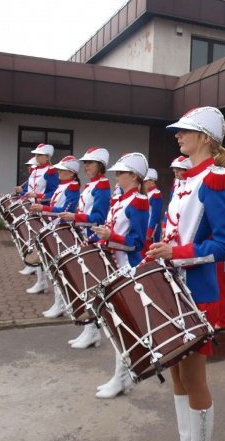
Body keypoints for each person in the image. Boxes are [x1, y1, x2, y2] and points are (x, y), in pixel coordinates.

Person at [147, 106, 225, 441]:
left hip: (197, 294)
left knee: (194, 378)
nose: (177, 136)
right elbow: (176, 233)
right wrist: (160, 252)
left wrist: (179, 253)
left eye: (184, 131)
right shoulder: (187, 180)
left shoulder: (213, 181)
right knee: (176, 375)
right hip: (170, 289)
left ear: (203, 138)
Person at [92, 152, 150, 399]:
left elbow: (137, 243)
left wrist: (110, 238)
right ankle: (120, 378)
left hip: (128, 269)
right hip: (114, 267)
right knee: (116, 324)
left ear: (134, 176)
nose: (116, 177)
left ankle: (122, 378)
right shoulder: (119, 200)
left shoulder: (138, 202)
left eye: (121, 173)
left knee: (123, 325)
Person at [58, 147, 112, 348]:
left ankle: (93, 332)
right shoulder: (92, 184)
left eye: (90, 162)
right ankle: (89, 331)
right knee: (84, 287)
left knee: (90, 288)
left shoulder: (103, 185)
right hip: (83, 237)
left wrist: (75, 217)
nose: (85, 165)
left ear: (100, 165)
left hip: (91, 240)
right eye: (85, 162)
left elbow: (99, 218)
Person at [30, 156, 81, 318]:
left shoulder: (72, 186)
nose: (59, 172)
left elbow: (67, 208)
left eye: (63, 170)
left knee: (60, 268)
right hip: (55, 227)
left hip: (63, 230)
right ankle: (57, 302)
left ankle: (61, 304)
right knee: (54, 266)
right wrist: (45, 209)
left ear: (71, 173)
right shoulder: (63, 185)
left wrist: (45, 208)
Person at [13, 143, 59, 294]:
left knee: (42, 247)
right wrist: (21, 198)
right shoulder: (35, 171)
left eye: (40, 155)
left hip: (43, 213)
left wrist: (38, 197)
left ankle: (43, 282)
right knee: (34, 245)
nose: (36, 157)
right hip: (32, 211)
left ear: (47, 157)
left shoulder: (51, 172)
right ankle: (41, 281)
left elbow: (55, 193)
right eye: (36, 155)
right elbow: (27, 190)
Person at [18, 156, 39, 277]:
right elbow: (27, 190)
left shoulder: (39, 177)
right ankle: (30, 264)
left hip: (37, 209)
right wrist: (21, 195)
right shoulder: (32, 177)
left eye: (31, 166)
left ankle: (33, 266)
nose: (29, 169)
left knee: (33, 239)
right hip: (31, 207)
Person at [144, 168, 163, 246]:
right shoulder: (145, 192)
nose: (143, 183)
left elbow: (156, 215)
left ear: (152, 180)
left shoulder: (156, 194)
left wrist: (150, 232)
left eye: (145, 181)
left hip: (150, 229)